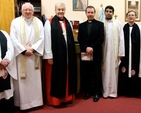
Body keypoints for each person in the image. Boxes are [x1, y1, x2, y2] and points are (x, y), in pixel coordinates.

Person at [10, 2, 44, 110]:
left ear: (33, 11)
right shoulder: (15, 22)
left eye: (30, 10)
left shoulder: (38, 22)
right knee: (23, 80)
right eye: (25, 10)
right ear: (21, 11)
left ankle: (36, 102)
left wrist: (33, 49)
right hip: (22, 56)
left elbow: (42, 38)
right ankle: (23, 104)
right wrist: (24, 50)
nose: (28, 12)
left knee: (34, 80)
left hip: (34, 56)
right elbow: (13, 38)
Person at [43, 2, 77, 107]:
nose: (61, 11)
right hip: (55, 56)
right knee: (56, 77)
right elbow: (47, 40)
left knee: (67, 75)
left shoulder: (68, 23)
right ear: (55, 10)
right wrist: (49, 56)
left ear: (65, 10)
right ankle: (55, 100)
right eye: (59, 9)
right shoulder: (49, 22)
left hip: (67, 55)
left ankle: (67, 98)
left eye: (62, 9)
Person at [78, 6, 104, 102]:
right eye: (88, 12)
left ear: (94, 13)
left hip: (96, 53)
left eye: (92, 12)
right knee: (87, 74)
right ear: (86, 13)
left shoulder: (100, 24)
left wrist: (92, 47)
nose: (90, 14)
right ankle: (88, 92)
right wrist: (86, 48)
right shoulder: (81, 25)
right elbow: (80, 39)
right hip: (85, 54)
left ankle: (97, 93)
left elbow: (101, 38)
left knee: (97, 74)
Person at [102, 5, 125, 98]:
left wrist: (121, 52)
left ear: (113, 13)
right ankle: (105, 91)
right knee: (104, 71)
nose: (108, 12)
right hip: (104, 51)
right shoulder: (101, 23)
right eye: (107, 11)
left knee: (114, 72)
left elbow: (122, 38)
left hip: (114, 52)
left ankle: (113, 92)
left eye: (110, 11)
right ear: (105, 13)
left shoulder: (118, 23)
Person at [118, 10, 141, 97]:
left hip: (136, 54)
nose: (131, 17)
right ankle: (124, 91)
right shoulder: (123, 28)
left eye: (133, 15)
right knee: (124, 70)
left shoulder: (138, 28)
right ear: (127, 17)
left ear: (135, 17)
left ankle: (135, 92)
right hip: (125, 54)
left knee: (135, 70)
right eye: (129, 15)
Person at [0, 30, 17, 113]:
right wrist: (0, 62)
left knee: (7, 93)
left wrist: (6, 60)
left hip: (6, 67)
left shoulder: (4, 34)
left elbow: (11, 49)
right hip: (2, 64)